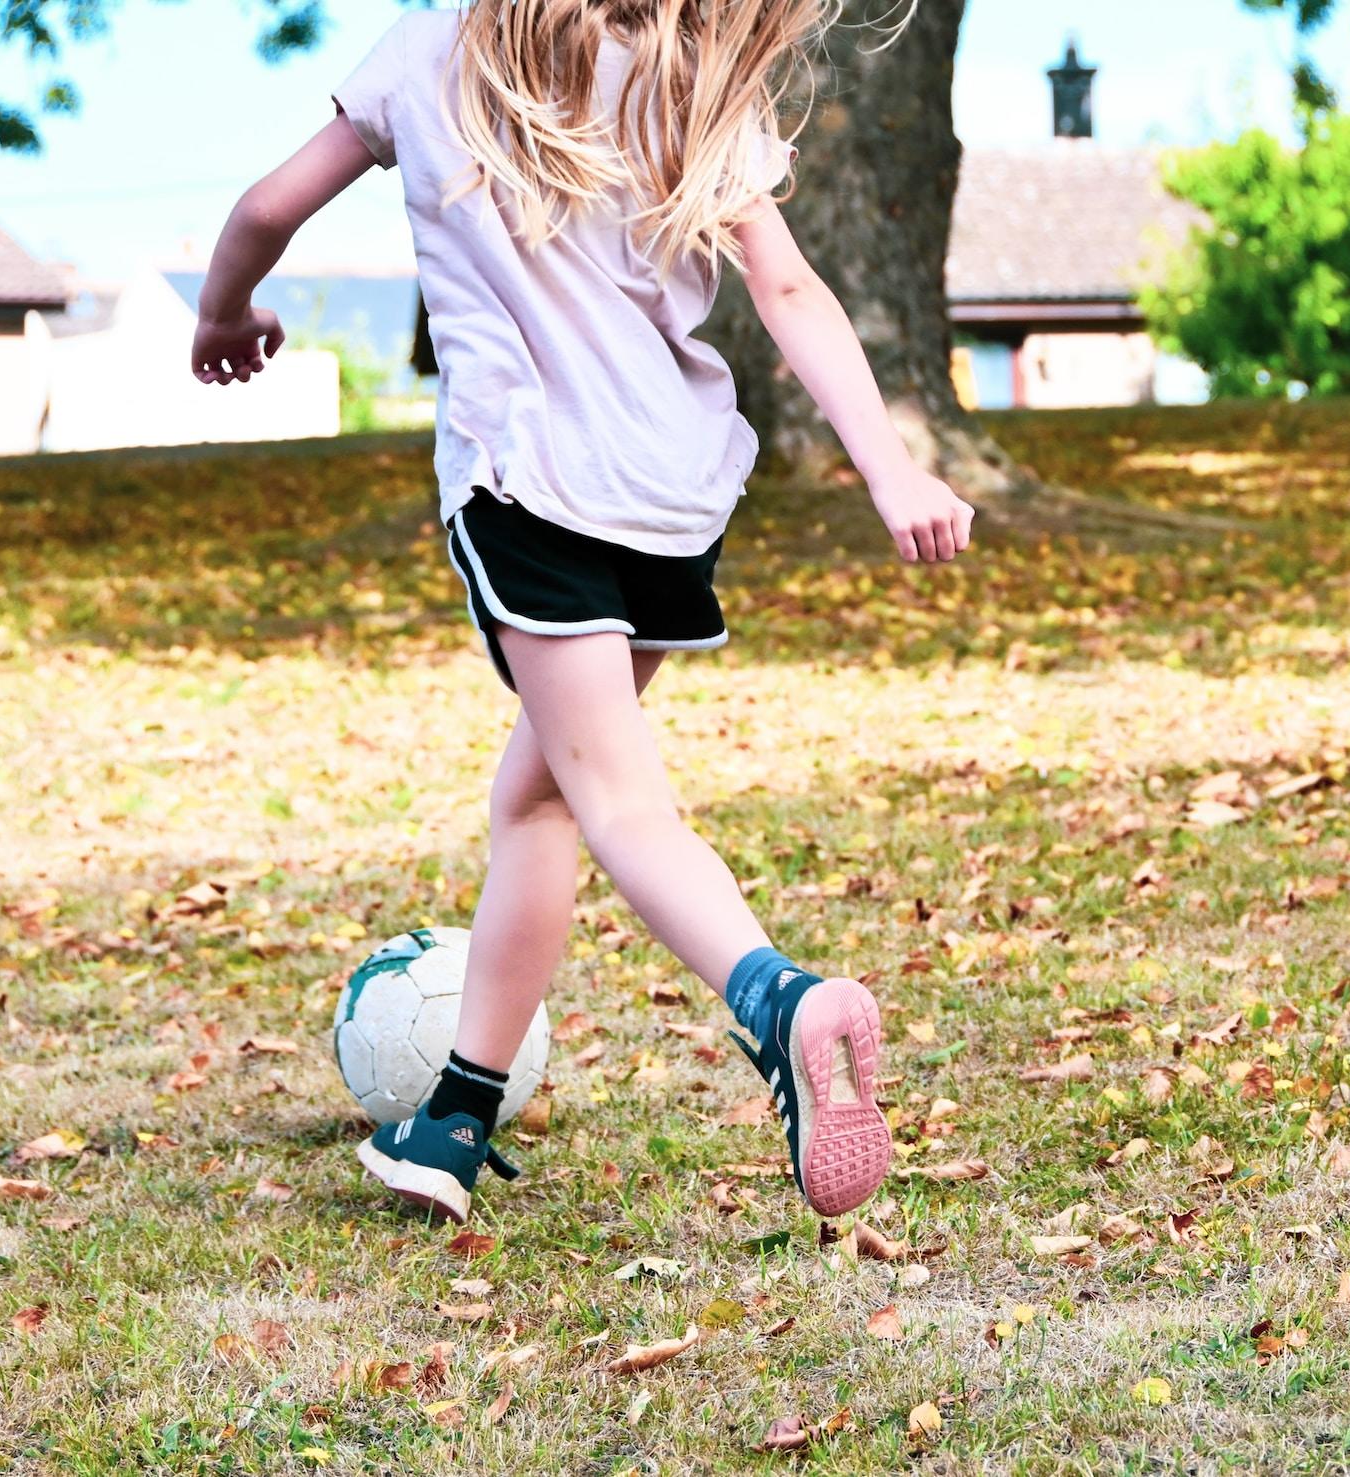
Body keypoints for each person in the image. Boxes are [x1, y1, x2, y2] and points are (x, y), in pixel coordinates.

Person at [189, 0, 972, 1224]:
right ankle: (453, 1118)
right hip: (672, 497)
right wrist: (890, 467)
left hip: (536, 488)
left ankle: (779, 999)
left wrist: (224, 312)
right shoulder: (691, 72)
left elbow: (265, 209)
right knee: (540, 792)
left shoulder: (435, 46)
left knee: (615, 802)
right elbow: (789, 285)